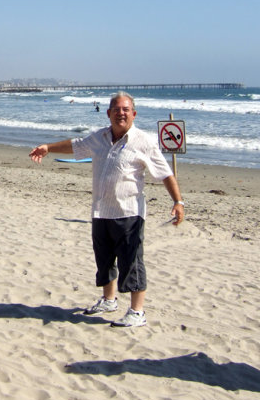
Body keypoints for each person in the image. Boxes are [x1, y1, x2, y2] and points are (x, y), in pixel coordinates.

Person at [29, 91, 184, 328]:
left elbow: (165, 173)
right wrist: (48, 148)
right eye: (116, 109)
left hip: (129, 213)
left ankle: (137, 311)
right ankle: (109, 300)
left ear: (133, 114)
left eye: (125, 109)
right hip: (101, 211)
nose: (120, 113)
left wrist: (178, 202)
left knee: (131, 261)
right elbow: (75, 145)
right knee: (104, 260)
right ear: (109, 113)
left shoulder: (144, 142)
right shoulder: (99, 137)